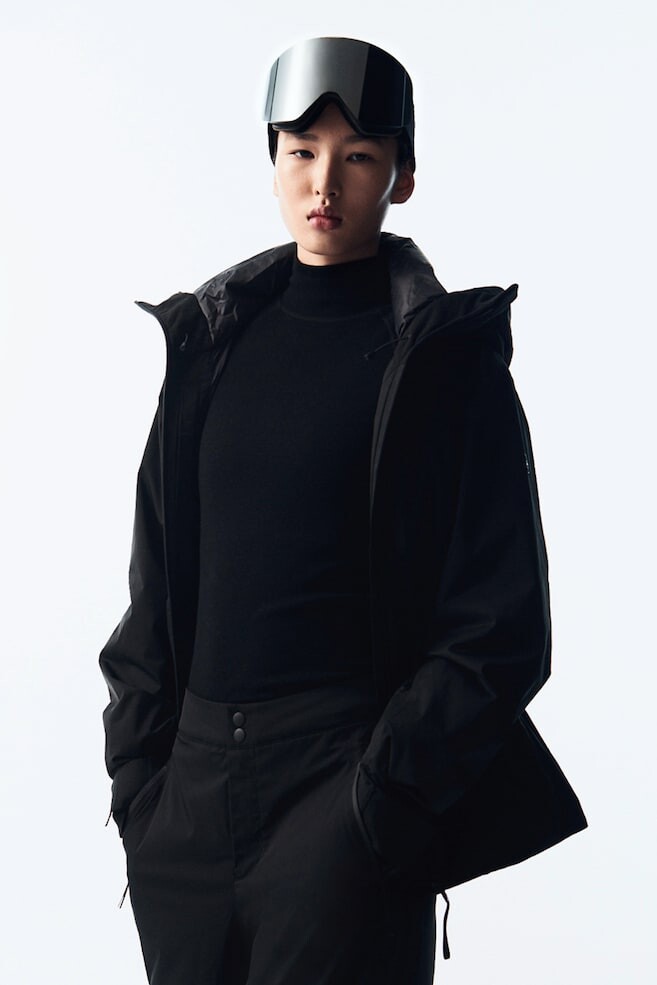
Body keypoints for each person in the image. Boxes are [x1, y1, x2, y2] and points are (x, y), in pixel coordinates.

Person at [99, 36, 587, 985]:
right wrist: (140, 794)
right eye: (301, 151)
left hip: (339, 794)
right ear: (273, 161)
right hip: (185, 809)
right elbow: (152, 587)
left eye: (357, 155)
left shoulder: (443, 364)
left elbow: (500, 630)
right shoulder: (209, 345)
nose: (323, 182)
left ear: (401, 177)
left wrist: (376, 809)